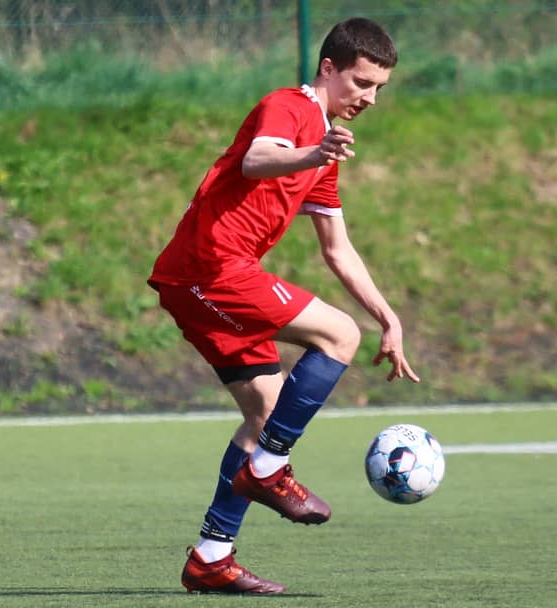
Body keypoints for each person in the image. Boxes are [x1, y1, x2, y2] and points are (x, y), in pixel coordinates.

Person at [147, 17, 419, 595]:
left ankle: (211, 556)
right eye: (361, 83)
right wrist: (313, 151)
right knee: (339, 335)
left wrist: (388, 316)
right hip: (211, 269)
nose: (369, 99)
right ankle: (269, 468)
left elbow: (337, 249)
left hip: (204, 277)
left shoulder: (325, 149)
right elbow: (258, 158)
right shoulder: (289, 107)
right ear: (328, 68)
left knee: (266, 414)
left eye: (379, 89)